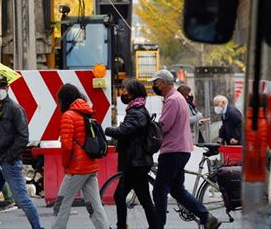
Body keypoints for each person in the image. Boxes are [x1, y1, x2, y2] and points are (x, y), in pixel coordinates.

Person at [150, 70, 220, 229]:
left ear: (165, 83)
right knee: (177, 191)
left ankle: (157, 226)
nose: (155, 86)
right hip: (181, 150)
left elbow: (164, 125)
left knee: (159, 191)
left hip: (172, 151)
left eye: (157, 82)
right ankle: (206, 217)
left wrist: (148, 130)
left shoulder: (173, 100)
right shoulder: (176, 98)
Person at [0, 74, 42, 229]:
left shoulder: (15, 109)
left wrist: (9, 157)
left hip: (9, 164)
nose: (1, 90)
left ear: (8, 87)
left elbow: (23, 137)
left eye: (3, 86)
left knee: (22, 200)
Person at [51, 83, 110, 229]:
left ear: (63, 100)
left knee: (61, 204)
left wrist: (66, 165)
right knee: (94, 205)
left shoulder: (68, 116)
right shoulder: (86, 112)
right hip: (90, 165)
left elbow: (66, 145)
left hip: (76, 168)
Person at [105, 78, 158, 229]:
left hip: (135, 162)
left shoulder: (136, 112)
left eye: (126, 90)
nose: (123, 93)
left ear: (133, 93)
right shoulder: (138, 109)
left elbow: (123, 131)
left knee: (122, 196)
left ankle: (122, 226)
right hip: (137, 162)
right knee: (141, 198)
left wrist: (107, 130)